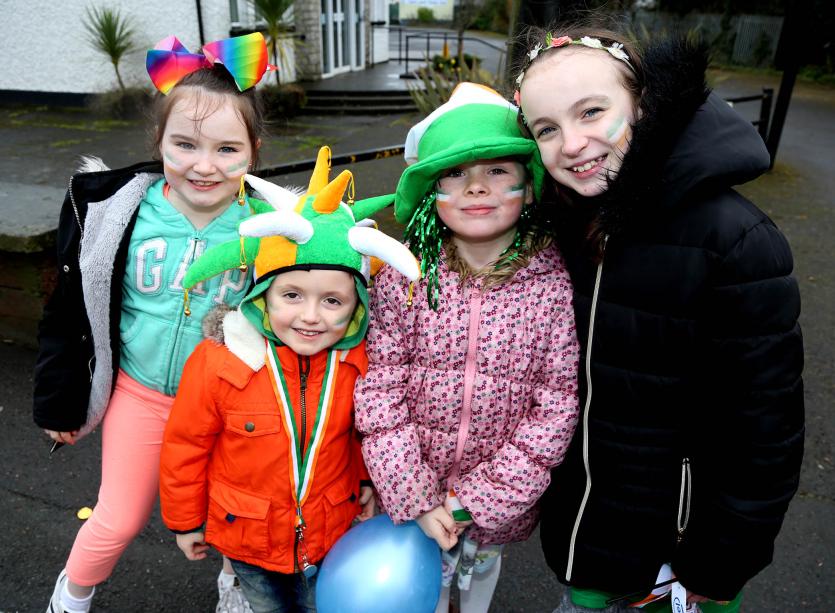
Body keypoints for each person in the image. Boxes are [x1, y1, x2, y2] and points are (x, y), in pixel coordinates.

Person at [513, 24, 804, 613]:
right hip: (590, 538)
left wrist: (721, 558)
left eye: (592, 111)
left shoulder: (735, 240)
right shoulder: (562, 229)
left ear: (645, 103)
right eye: (547, 129)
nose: (572, 143)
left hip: (684, 556)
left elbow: (764, 431)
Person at [33, 32, 278, 613]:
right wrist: (60, 404)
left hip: (228, 406)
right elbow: (69, 311)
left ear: (254, 152)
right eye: (185, 144)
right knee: (115, 519)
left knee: (235, 519)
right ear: (158, 142)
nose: (203, 165)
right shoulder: (118, 215)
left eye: (226, 150)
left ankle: (238, 597)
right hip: (138, 397)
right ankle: (70, 597)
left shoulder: (272, 227)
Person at [158, 148, 421, 612]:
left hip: (330, 530)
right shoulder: (219, 361)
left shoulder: (355, 362)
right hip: (248, 539)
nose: (310, 316)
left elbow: (358, 433)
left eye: (332, 301)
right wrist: (185, 522)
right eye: (292, 295)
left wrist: (363, 479)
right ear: (262, 294)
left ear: (357, 307)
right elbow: (185, 445)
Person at [352, 83, 581, 613]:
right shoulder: (406, 278)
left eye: (497, 171)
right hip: (416, 495)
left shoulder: (553, 285)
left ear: (528, 186)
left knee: (476, 587)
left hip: (494, 503)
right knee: (420, 594)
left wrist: (474, 500)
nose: (476, 187)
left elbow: (556, 408)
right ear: (432, 192)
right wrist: (418, 497)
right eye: (455, 174)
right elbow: (379, 392)